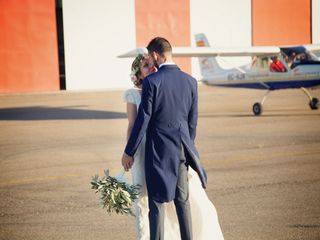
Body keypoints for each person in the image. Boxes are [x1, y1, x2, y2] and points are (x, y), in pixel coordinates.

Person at [122, 37, 224, 240]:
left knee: (157, 205)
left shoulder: (152, 81)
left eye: (151, 57)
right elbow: (192, 123)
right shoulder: (190, 81)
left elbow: (143, 120)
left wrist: (129, 151)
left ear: (156, 55)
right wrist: (187, 147)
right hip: (181, 151)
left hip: (157, 153)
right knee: (182, 202)